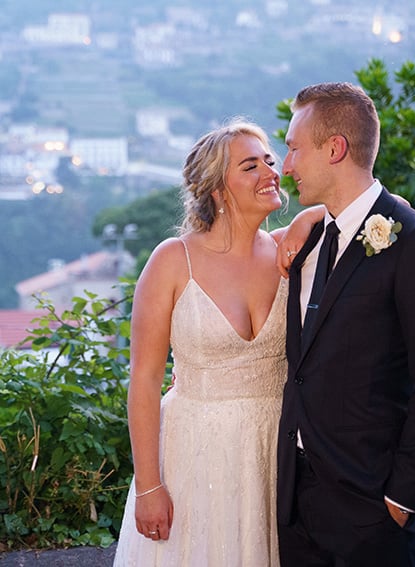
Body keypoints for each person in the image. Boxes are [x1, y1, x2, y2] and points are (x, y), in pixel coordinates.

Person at [113, 118, 321, 566]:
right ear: (216, 188)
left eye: (270, 160)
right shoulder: (172, 261)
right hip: (193, 457)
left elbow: (382, 208)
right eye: (251, 166)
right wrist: (149, 485)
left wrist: (312, 215)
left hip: (273, 455)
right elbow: (146, 379)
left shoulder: (290, 250)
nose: (272, 172)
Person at [276, 82, 415, 567]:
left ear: (335, 148)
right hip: (297, 506)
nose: (287, 165)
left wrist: (402, 500)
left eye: (294, 148)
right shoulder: (311, 237)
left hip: (374, 511)